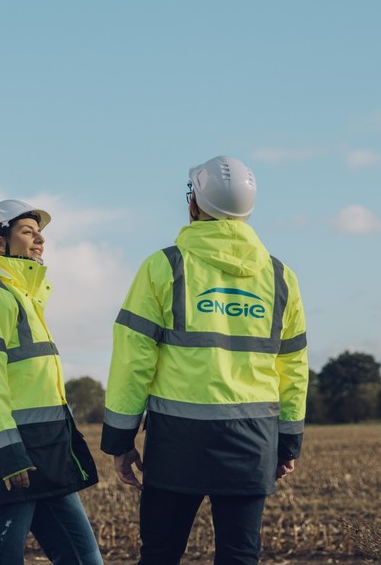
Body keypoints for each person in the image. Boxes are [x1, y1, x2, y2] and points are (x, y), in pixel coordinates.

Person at [101, 156, 308, 565]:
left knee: (160, 554)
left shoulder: (164, 267)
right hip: (252, 442)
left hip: (177, 443)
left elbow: (132, 361)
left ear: (194, 203)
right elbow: (294, 368)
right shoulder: (281, 277)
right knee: (239, 556)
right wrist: (288, 442)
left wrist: (120, 441)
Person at [0, 199, 103, 565]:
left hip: (43, 449)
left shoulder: (24, 297)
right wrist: (7, 452)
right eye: (27, 232)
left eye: (40, 234)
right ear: (0, 242)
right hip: (9, 454)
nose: (39, 240)